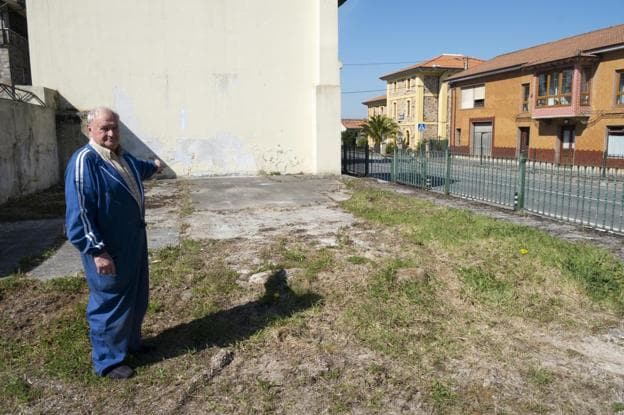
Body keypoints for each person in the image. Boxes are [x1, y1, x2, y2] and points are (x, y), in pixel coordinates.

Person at [65, 107, 163, 379]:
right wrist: (97, 251)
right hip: (108, 247)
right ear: (90, 130)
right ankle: (108, 360)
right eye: (104, 128)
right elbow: (80, 214)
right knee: (110, 300)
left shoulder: (121, 156)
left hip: (133, 240)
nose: (110, 133)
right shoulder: (85, 161)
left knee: (135, 294)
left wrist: (155, 166)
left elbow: (137, 169)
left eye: (114, 128)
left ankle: (130, 344)